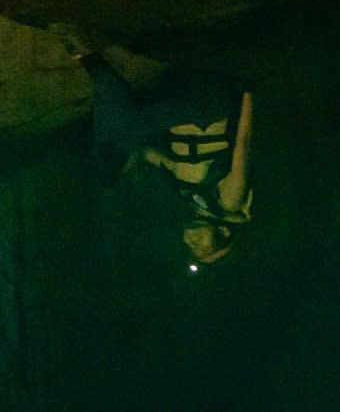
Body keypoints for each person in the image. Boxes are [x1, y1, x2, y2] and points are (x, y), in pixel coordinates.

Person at [84, 49, 256, 269]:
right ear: (223, 231)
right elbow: (244, 146)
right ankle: (89, 57)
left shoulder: (187, 194)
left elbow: (146, 154)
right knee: (126, 124)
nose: (194, 244)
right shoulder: (229, 201)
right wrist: (248, 93)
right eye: (205, 247)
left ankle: (97, 64)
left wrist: (120, 173)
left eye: (192, 249)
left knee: (110, 159)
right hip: (207, 107)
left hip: (178, 108)